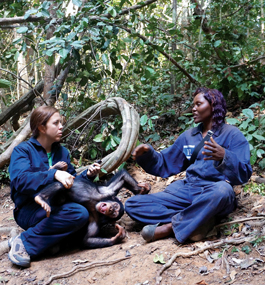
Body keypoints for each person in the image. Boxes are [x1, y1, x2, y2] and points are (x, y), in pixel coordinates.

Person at [125, 87, 252, 244]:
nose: (193, 108)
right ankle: (199, 218)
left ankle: (170, 227)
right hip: (187, 190)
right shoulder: (189, 136)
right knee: (132, 204)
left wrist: (224, 156)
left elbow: (245, 173)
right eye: (193, 105)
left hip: (213, 191)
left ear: (213, 105)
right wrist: (147, 153)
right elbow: (164, 164)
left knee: (223, 191)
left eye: (198, 104)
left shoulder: (232, 134)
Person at [8, 105, 101, 267]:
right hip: (29, 209)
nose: (61, 126)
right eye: (56, 123)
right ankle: (23, 242)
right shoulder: (23, 151)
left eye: (61, 122)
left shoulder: (62, 152)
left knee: (94, 207)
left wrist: (87, 175)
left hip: (57, 204)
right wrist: (53, 174)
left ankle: (53, 243)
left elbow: (72, 181)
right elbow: (20, 180)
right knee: (79, 214)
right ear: (41, 127)